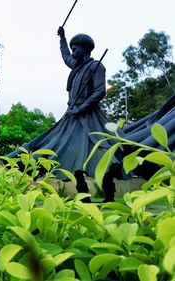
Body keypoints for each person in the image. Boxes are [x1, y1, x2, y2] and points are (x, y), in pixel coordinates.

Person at [8, 26, 121, 202]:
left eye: (75, 47)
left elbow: (99, 91)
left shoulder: (96, 67)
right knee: (70, 156)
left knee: (101, 153)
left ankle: (109, 196)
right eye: (72, 47)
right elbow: (65, 56)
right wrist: (62, 38)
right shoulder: (76, 66)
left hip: (89, 117)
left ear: (85, 48)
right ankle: (84, 197)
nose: (73, 50)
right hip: (72, 117)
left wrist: (81, 108)